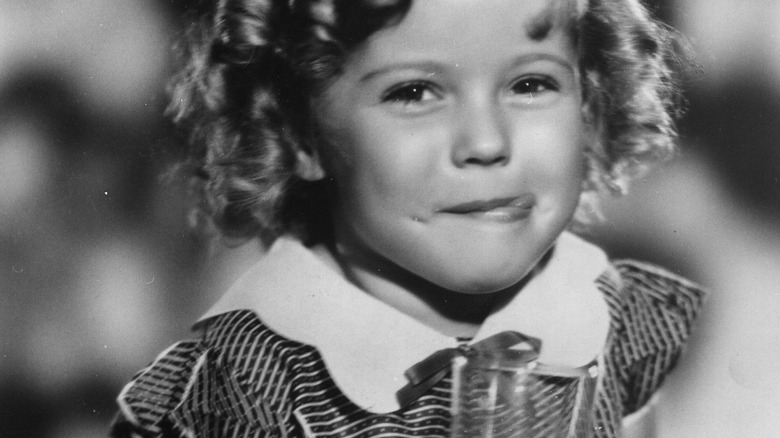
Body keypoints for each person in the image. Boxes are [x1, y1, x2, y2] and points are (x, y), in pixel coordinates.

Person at [110, 0, 706, 436]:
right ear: (301, 136)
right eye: (415, 93)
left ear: (593, 104)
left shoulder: (610, 321)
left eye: (530, 83)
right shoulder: (238, 389)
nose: (486, 141)